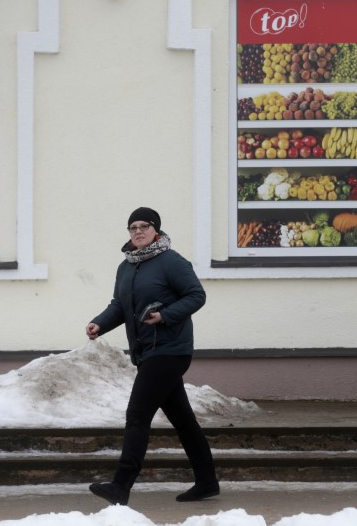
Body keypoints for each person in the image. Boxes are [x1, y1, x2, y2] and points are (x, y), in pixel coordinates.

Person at [85, 207, 219, 506]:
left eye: (144, 226)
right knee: (184, 421)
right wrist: (100, 323)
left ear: (156, 230)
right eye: (132, 227)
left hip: (170, 350)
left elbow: (196, 295)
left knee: (137, 415)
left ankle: (121, 485)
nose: (138, 231)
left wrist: (165, 316)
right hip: (148, 351)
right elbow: (120, 305)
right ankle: (207, 482)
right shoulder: (126, 267)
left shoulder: (171, 261)